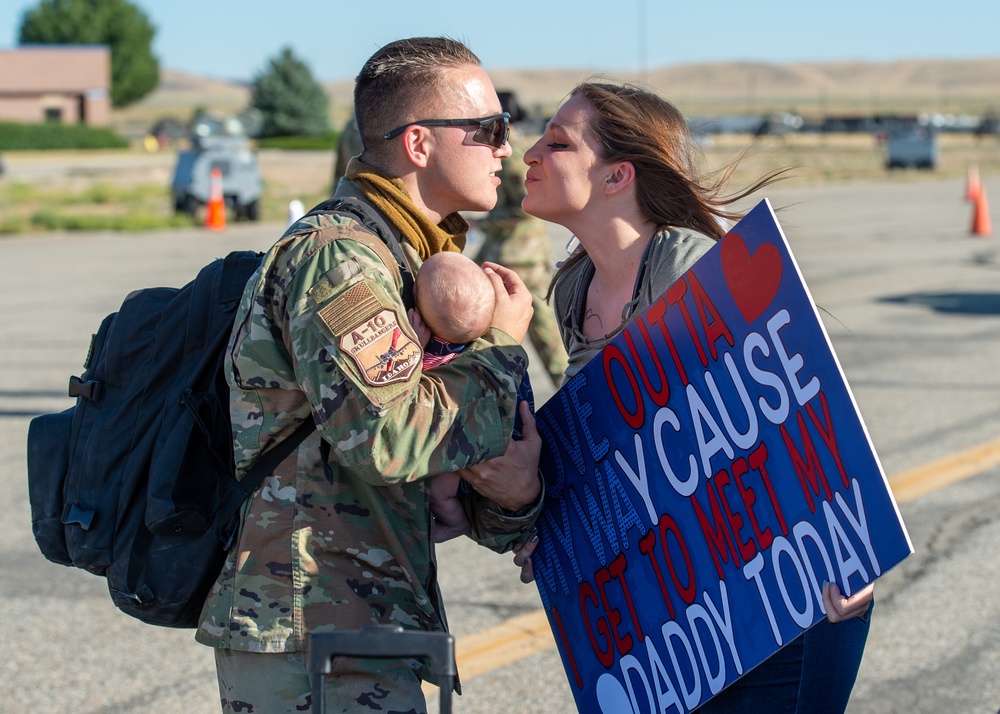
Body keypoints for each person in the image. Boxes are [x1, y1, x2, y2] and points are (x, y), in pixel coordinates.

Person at [196, 37, 544, 714]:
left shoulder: (403, 258)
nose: (506, 148)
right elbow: (389, 439)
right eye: (489, 130)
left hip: (360, 622)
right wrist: (499, 346)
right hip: (311, 631)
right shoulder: (341, 261)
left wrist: (513, 498)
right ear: (418, 143)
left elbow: (421, 458)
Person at [512, 81, 875, 713]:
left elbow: (795, 415)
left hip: (795, 596)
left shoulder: (686, 268)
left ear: (616, 175)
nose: (530, 153)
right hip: (690, 605)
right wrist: (559, 531)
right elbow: (610, 449)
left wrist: (847, 545)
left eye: (558, 142)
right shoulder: (575, 289)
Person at [409, 251, 535, 542]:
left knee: (440, 496)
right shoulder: (487, 348)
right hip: (497, 443)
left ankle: (455, 524)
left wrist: (414, 348)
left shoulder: (431, 352)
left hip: (459, 450)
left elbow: (417, 381)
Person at [473, 92, 568, 388]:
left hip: (519, 256)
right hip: (505, 254)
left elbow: (525, 207)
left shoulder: (511, 157)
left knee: (544, 338)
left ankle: (570, 394)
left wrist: (485, 222)